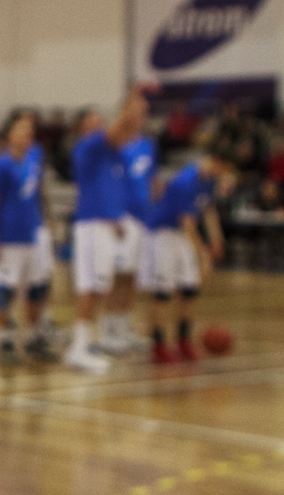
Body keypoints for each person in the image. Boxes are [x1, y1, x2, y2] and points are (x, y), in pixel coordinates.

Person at [66, 83, 154, 372]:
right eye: (91, 119)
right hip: (91, 226)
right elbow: (122, 127)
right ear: (83, 127)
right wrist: (134, 96)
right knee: (90, 288)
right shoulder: (88, 148)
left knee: (100, 287)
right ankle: (78, 349)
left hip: (106, 225)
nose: (98, 123)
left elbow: (127, 131)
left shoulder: (114, 155)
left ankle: (84, 344)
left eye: (99, 118)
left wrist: (116, 219)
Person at [142, 154, 232, 363]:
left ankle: (183, 341)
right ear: (215, 162)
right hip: (162, 235)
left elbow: (208, 210)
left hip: (181, 235)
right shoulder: (185, 181)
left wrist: (217, 239)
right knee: (162, 293)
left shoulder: (209, 181)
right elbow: (188, 221)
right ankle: (159, 345)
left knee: (189, 289)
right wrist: (203, 253)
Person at [0, 113, 52, 364]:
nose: (27, 134)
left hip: (31, 234)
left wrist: (46, 220)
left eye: (30, 130)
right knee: (5, 289)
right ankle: (4, 340)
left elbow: (38, 192)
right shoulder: (2, 165)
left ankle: (34, 337)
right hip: (9, 238)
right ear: (10, 134)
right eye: (22, 130)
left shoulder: (34, 158)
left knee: (36, 288)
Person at [106, 128, 158, 354]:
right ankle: (108, 332)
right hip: (122, 217)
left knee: (133, 276)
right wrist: (112, 214)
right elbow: (107, 183)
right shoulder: (115, 146)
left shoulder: (148, 145)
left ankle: (123, 328)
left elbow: (152, 180)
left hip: (142, 218)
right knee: (118, 275)